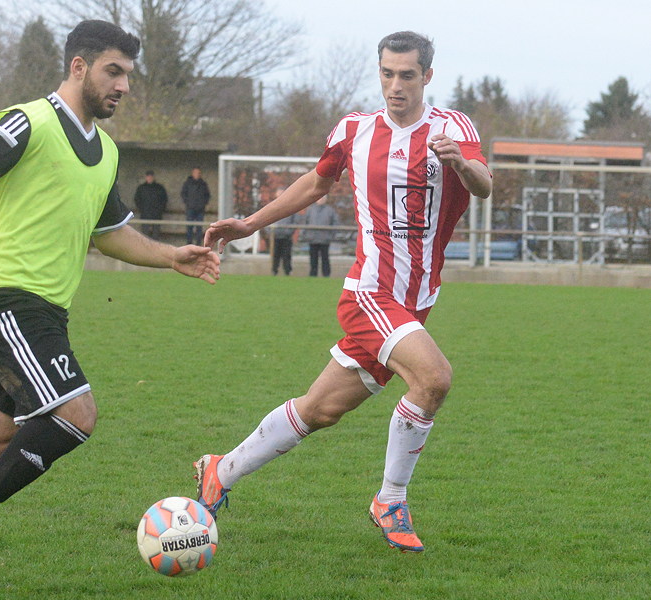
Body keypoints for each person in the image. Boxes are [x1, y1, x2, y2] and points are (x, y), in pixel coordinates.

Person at [0, 20, 219, 598]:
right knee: (76, 414)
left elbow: (108, 233)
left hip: (45, 310)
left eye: (128, 75)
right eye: (113, 71)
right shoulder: (29, 122)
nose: (123, 86)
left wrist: (172, 257)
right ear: (78, 67)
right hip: (8, 299)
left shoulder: (106, 151)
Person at [194, 31, 492, 554]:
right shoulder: (355, 130)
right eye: (387, 73)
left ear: (427, 76)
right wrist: (249, 223)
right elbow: (315, 183)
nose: (395, 85)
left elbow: (484, 184)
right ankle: (390, 499)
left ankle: (222, 469)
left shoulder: (453, 127)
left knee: (320, 409)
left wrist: (461, 165)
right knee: (434, 379)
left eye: (406, 75)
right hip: (370, 293)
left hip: (417, 300)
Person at [301, 196, 339, 277]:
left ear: (326, 199)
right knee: (313, 258)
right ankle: (313, 274)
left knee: (325, 258)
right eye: (320, 198)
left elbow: (335, 223)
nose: (321, 200)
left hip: (325, 239)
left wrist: (331, 235)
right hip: (312, 238)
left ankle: (326, 274)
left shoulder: (330, 210)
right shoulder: (310, 210)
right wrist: (305, 234)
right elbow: (305, 222)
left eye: (323, 198)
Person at [269, 187, 299, 276]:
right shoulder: (271, 206)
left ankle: (288, 272)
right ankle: (274, 271)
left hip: (286, 237)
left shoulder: (292, 206)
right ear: (276, 194)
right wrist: (270, 232)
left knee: (287, 255)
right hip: (275, 236)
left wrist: (289, 231)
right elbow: (265, 220)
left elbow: (295, 221)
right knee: (275, 255)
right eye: (279, 193)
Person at [133, 170, 168, 240]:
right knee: (145, 235)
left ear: (153, 177)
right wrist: (142, 209)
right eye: (148, 176)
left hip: (157, 214)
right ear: (146, 177)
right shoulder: (141, 188)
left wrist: (160, 210)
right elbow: (137, 199)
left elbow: (164, 200)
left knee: (156, 235)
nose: (149, 178)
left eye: (151, 176)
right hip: (145, 213)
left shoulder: (159, 188)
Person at [181, 166, 210, 245]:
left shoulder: (203, 184)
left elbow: (207, 195)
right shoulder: (187, 183)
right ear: (192, 173)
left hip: (200, 209)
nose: (197, 174)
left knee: (199, 227)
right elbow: (183, 194)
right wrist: (188, 203)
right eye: (196, 173)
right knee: (189, 227)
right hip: (190, 208)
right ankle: (189, 243)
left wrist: (204, 203)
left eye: (198, 173)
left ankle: (198, 244)